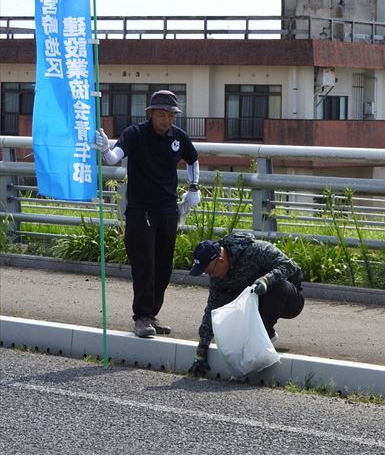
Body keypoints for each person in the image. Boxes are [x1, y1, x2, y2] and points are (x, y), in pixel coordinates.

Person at [95, 90, 201, 338]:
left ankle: (152, 314)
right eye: (162, 114)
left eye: (171, 115)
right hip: (140, 210)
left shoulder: (178, 137)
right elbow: (113, 158)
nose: (167, 120)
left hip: (168, 209)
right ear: (151, 113)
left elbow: (193, 159)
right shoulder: (136, 134)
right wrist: (104, 148)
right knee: (145, 264)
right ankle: (141, 317)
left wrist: (193, 188)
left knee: (163, 266)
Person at [188, 232, 305, 377]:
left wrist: (267, 280)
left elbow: (290, 266)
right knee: (222, 303)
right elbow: (212, 308)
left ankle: (262, 334)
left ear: (220, 261)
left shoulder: (255, 250)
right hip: (254, 300)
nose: (211, 276)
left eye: (210, 272)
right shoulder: (218, 277)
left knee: (276, 286)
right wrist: (202, 350)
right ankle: (262, 333)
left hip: (289, 300)